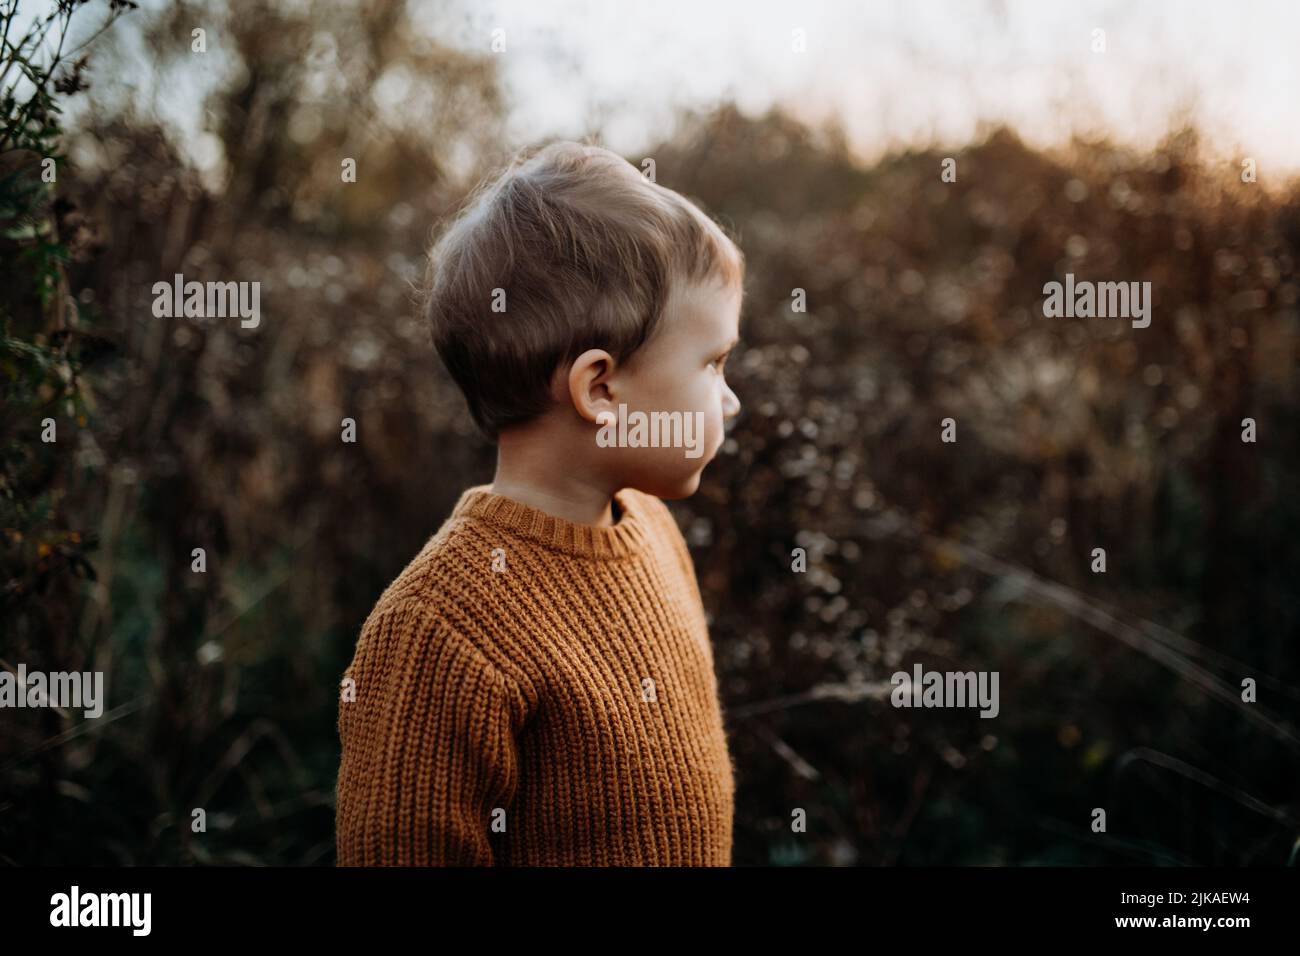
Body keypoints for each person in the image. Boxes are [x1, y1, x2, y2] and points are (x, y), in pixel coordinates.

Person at [335, 141, 744, 865]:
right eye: (711, 364)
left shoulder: (652, 532)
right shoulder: (438, 631)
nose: (731, 398)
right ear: (601, 391)